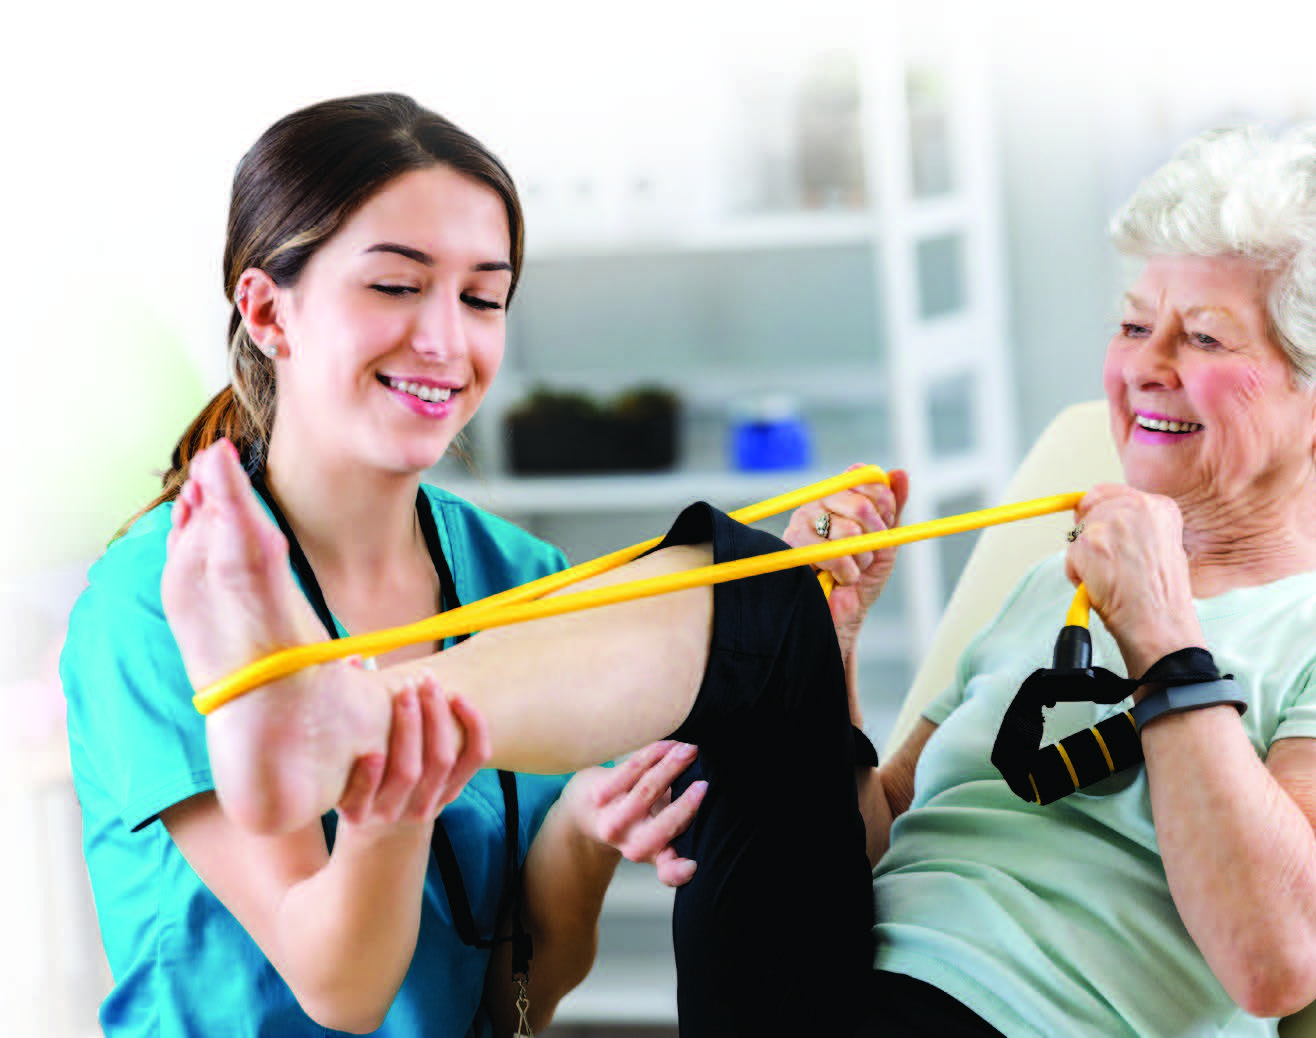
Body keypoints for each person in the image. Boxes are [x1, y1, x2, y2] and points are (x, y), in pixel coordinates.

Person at [150, 119, 1316, 1037]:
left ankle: (346, 717)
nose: (1143, 366)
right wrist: (823, 656)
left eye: (1205, 337)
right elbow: (870, 837)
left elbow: (1275, 951)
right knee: (769, 589)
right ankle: (349, 714)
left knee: (767, 606)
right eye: (1134, 323)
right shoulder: (1043, 592)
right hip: (811, 979)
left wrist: (1165, 639)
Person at [60, 93, 869, 1038]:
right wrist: (393, 801)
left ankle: (348, 717)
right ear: (268, 310)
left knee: (762, 597)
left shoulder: (522, 576)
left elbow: (522, 999)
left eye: (483, 297)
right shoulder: (156, 603)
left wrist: (582, 832)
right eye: (397, 287)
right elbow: (343, 991)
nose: (447, 340)